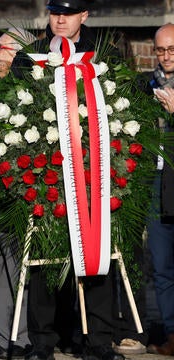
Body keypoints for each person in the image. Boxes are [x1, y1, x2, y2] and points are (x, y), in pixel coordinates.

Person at [11, 1, 124, 360]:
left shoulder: (104, 55)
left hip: (95, 172)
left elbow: (124, 100)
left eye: (70, 12)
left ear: (84, 15)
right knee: (46, 257)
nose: (61, 19)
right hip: (46, 169)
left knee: (96, 252)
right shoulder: (30, 58)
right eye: (55, 11)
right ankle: (43, 341)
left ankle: (98, 341)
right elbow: (15, 106)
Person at [0, 26, 36, 359]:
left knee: (17, 267)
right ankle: (3, 335)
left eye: (0, 47)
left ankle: (22, 336)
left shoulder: (27, 90)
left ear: (18, 53)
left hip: (14, 195)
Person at [144, 22, 174, 357]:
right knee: (162, 265)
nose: (165, 57)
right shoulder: (148, 84)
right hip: (156, 182)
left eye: (172, 50)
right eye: (160, 50)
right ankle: (171, 332)